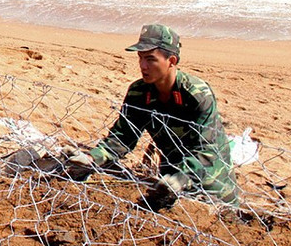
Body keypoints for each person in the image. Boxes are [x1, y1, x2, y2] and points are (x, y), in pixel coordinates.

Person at [63, 24, 239, 210]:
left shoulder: (196, 95)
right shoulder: (139, 93)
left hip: (211, 186)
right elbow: (123, 137)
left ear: (171, 61)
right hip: (168, 181)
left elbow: (207, 152)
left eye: (150, 59)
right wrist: (92, 158)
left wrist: (182, 178)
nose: (143, 66)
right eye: (140, 58)